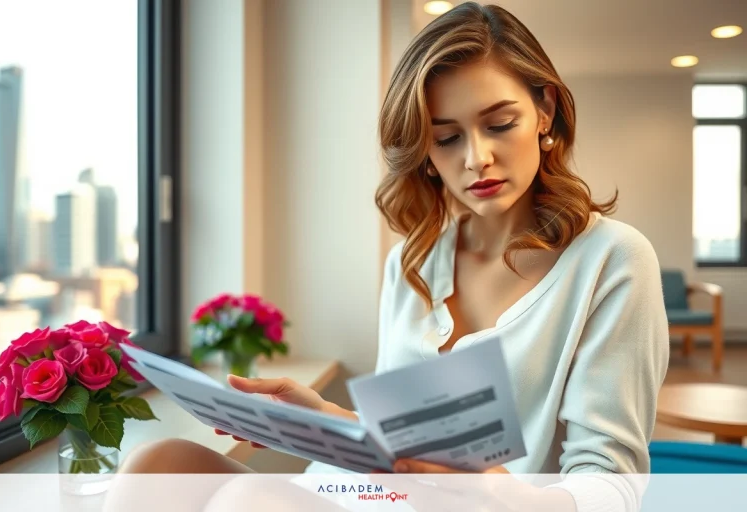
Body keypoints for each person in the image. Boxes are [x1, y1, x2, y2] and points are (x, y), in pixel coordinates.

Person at [110, 3, 669, 511]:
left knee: (251, 499)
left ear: (544, 110)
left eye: (499, 124)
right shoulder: (413, 261)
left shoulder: (612, 261)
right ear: (424, 150)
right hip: (373, 495)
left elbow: (612, 483)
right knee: (155, 465)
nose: (477, 158)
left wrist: (500, 492)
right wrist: (321, 418)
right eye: (446, 138)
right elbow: (408, 445)